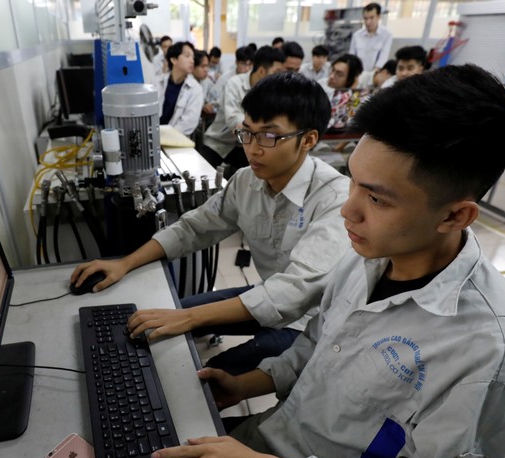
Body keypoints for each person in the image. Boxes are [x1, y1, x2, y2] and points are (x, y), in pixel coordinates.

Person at [142, 64, 505, 458]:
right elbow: (315, 348)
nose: (347, 209)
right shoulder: (368, 259)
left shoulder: (497, 357)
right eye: (352, 181)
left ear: (456, 214)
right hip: (268, 449)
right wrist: (246, 384)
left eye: (377, 199)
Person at [72, 72, 350, 375]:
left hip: (312, 323)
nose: (253, 149)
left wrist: (191, 319)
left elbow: (294, 291)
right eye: (247, 133)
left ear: (308, 139)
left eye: (269, 136)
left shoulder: (335, 199)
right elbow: (194, 227)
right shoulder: (247, 181)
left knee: (211, 372)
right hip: (265, 297)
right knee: (159, 320)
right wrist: (124, 264)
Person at [198, 46, 286, 171]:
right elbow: (233, 119)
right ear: (261, 71)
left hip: (245, 147)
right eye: (277, 72)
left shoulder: (273, 92)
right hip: (218, 141)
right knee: (200, 175)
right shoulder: (234, 83)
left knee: (265, 172)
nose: (279, 78)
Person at [156, 42, 204, 137]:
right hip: (153, 136)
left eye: (193, 57)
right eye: (187, 56)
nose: (192, 61)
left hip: (176, 141)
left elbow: (188, 123)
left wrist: (163, 137)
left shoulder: (195, 89)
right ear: (174, 60)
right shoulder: (157, 82)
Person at [349, 3, 393, 71]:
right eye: (365, 18)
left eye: (372, 18)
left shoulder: (386, 34)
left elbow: (383, 58)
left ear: (378, 16)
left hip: (375, 74)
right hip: (357, 73)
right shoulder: (357, 35)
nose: (368, 22)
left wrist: (371, 76)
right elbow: (352, 57)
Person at [192, 49, 216, 117]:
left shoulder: (206, 81)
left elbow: (215, 95)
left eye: (207, 66)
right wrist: (202, 106)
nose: (206, 70)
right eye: (202, 66)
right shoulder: (187, 82)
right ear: (193, 67)